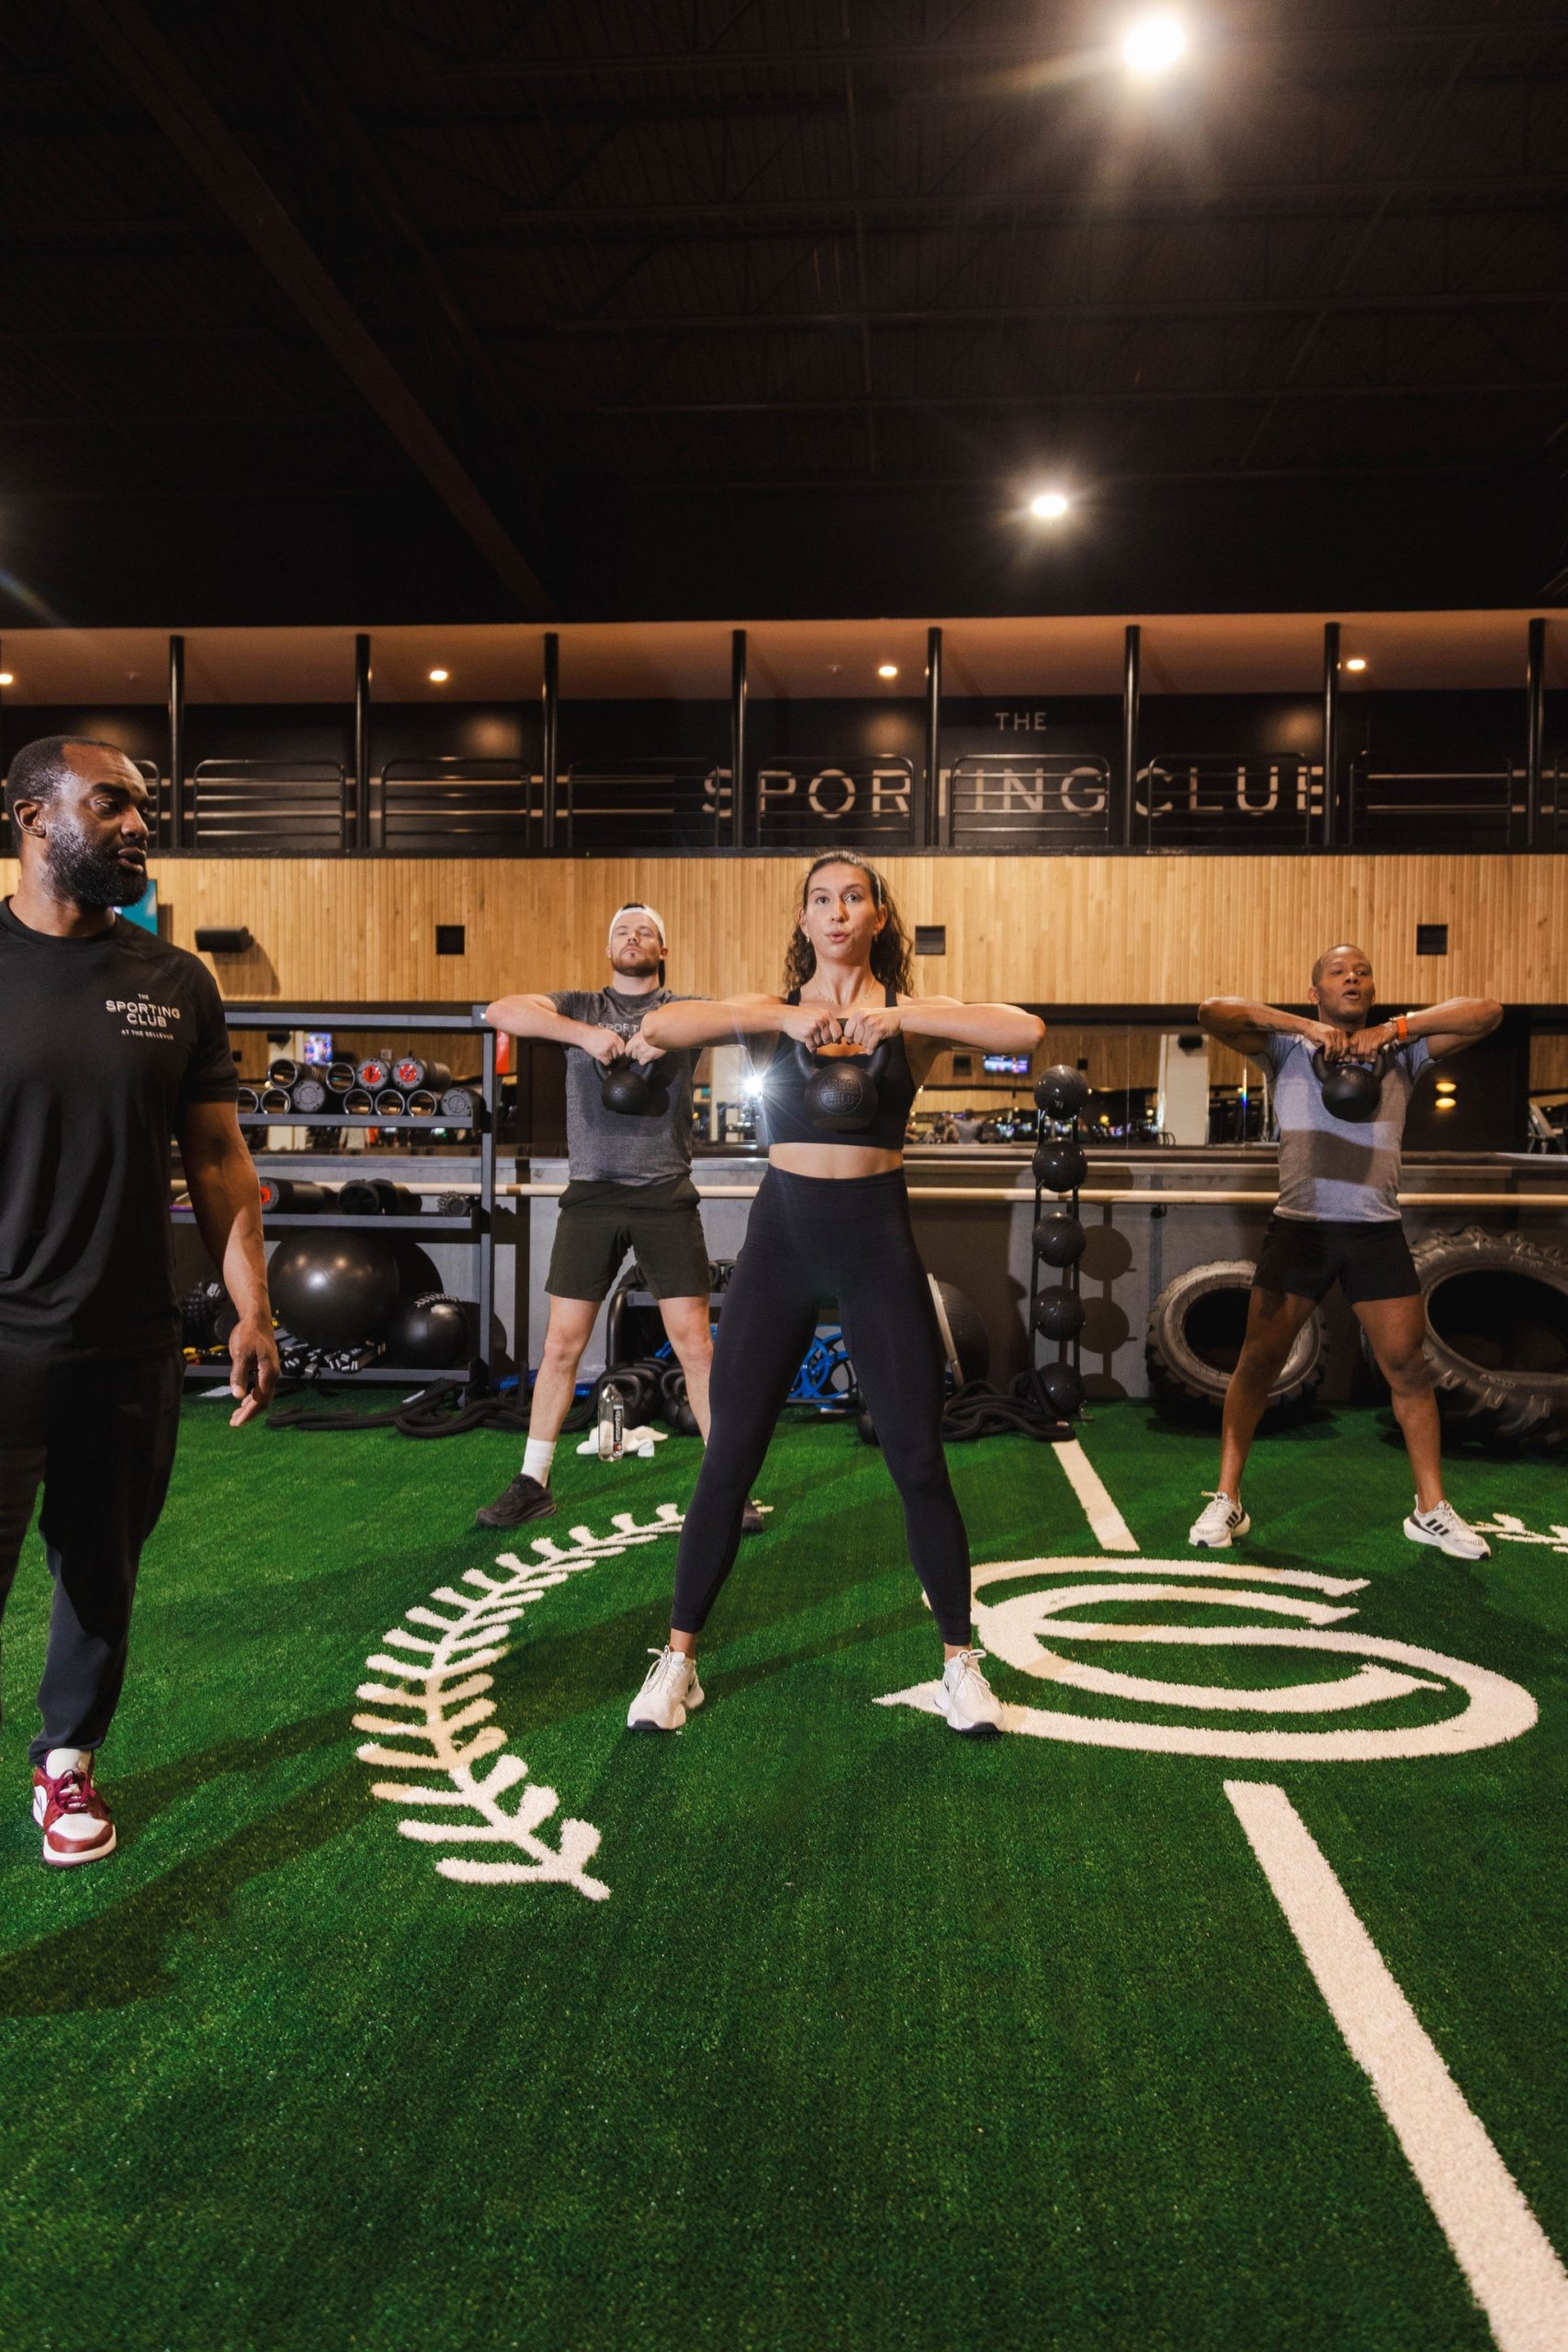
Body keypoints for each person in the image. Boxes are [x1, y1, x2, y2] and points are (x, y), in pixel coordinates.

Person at [624, 853, 1044, 1737]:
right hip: (782, 1239)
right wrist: (789, 1015)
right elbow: (664, 1026)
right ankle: (678, 1661)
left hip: (874, 1243)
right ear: (805, 920)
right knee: (728, 1458)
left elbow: (1025, 1030)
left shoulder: (907, 1025)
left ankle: (957, 1664)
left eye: (853, 897)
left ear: (877, 915)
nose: (837, 911)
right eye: (821, 899)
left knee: (918, 1461)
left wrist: (896, 1016)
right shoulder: (770, 1016)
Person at [0, 736, 277, 1868]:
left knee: (104, 1568)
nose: (136, 824)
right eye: (109, 803)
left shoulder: (175, 983)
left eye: (144, 807)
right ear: (28, 817)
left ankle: (66, 1761)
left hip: (129, 1339)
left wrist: (249, 1305)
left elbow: (219, 1159)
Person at [1192, 944, 1503, 1556]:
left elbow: (1487, 1012)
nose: (1352, 979)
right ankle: (1227, 1500)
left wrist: (1398, 1027)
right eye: (1337, 973)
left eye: (1361, 972)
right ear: (1316, 991)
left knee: (1408, 1368)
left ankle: (1429, 1508)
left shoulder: (1403, 1050)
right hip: (1299, 1227)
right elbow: (1212, 1012)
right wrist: (1303, 1027)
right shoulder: (1286, 1048)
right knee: (1256, 1363)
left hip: (1372, 1229)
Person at [478, 903, 761, 1532]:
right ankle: (533, 1480)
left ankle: (725, 1486)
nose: (632, 938)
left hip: (665, 1194)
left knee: (697, 1347)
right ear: (609, 949)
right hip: (592, 1194)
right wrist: (584, 1035)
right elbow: (501, 1011)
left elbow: (746, 1011)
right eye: (621, 931)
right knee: (559, 1347)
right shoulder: (577, 1005)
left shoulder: (684, 1008)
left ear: (662, 949)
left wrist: (664, 1031)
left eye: (645, 932)